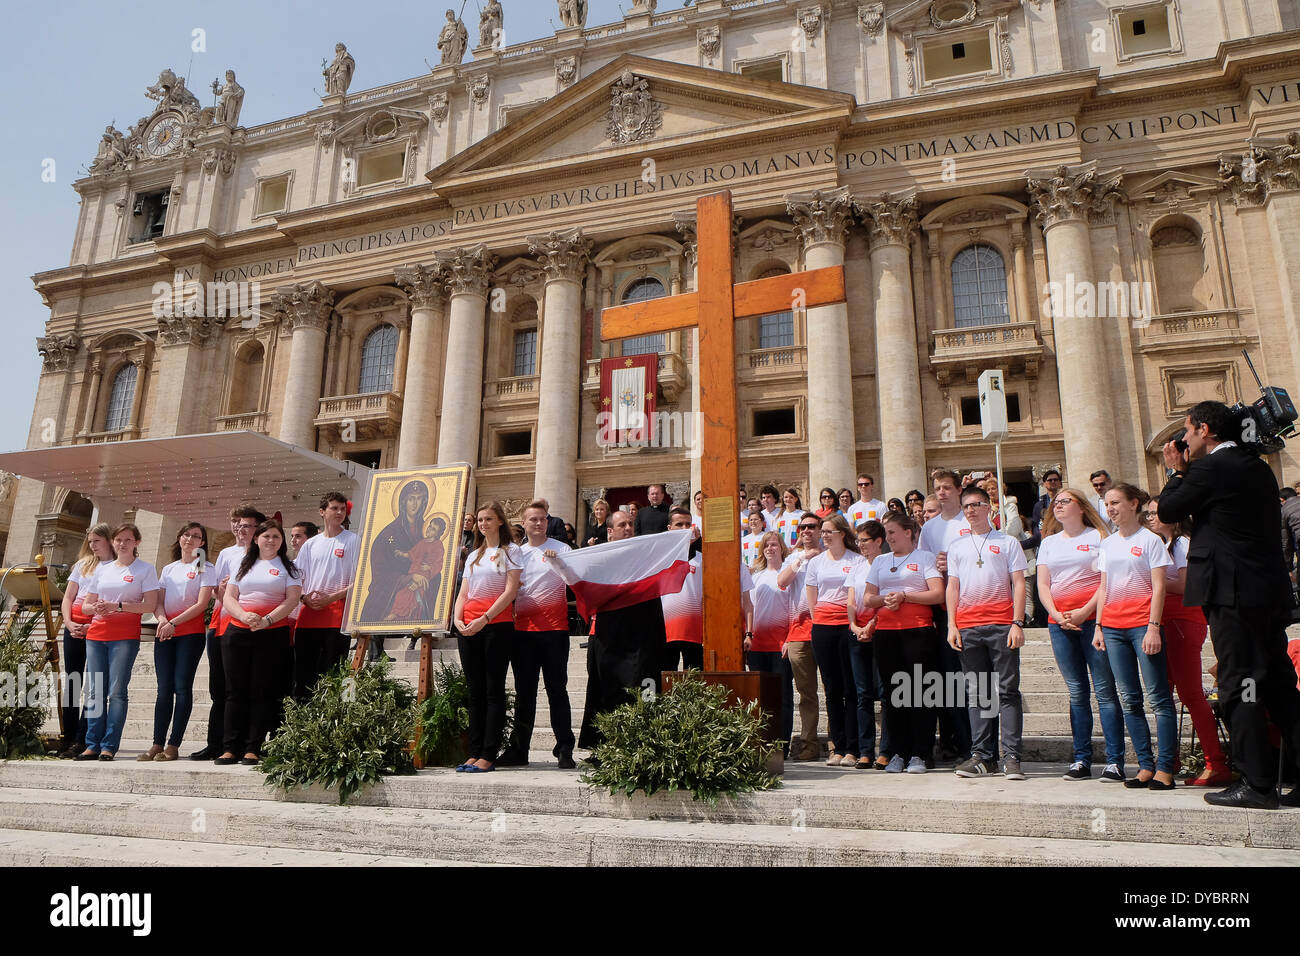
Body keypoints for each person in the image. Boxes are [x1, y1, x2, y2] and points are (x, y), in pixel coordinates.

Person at [1159, 400, 1300, 808]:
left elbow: (1168, 511)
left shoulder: (1211, 468)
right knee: (1276, 683)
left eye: (1186, 431)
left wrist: (1175, 472)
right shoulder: (1256, 465)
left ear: (1205, 430)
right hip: (1265, 593)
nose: (1182, 440)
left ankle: (1256, 784)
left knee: (1240, 685)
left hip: (1232, 594)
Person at [1092, 483, 1177, 791]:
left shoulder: (1150, 540)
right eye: (1107, 504)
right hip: (1113, 627)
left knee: (1158, 698)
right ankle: (1145, 765)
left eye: (1115, 502)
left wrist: (1154, 626)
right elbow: (1103, 586)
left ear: (1133, 504)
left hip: (1143, 624)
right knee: (1130, 699)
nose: (1110, 508)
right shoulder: (1108, 543)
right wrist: (1099, 626)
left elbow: (1160, 587)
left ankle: (1166, 768)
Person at [1036, 488, 1125, 781]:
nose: (1058, 506)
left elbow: (1105, 581)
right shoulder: (1048, 543)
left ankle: (1115, 760)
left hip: (1092, 621)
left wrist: (1086, 612)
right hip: (1058, 623)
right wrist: (1058, 615)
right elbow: (1044, 585)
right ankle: (1081, 759)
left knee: (1105, 692)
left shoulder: (1099, 538)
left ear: (1081, 507)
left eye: (1065, 501)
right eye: (1055, 503)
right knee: (1077, 693)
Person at [1145, 496, 1231, 786]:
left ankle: (1215, 762)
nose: (1151, 518)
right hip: (1164, 620)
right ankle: (1170, 760)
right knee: (1164, 692)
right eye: (1148, 514)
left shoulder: (1182, 543)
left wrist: (1150, 581)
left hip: (1183, 619)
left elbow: (1185, 584)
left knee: (1191, 694)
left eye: (1156, 513)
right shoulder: (1162, 543)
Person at [946, 486, 1028, 780]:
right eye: (966, 505)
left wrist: (1017, 622)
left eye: (977, 504)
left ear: (990, 508)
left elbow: (1018, 583)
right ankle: (982, 756)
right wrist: (951, 625)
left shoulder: (1007, 542)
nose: (971, 510)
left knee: (1006, 692)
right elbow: (952, 587)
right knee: (978, 694)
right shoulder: (957, 547)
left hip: (1001, 625)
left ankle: (1011, 757)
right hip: (968, 627)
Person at [856, 513, 945, 774]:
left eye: (893, 532)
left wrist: (906, 596)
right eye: (887, 533)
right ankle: (898, 752)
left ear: (908, 532)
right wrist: (887, 599)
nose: (890, 538)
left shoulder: (924, 558)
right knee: (894, 696)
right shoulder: (881, 561)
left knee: (920, 693)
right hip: (887, 634)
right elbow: (868, 598)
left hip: (918, 632)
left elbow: (937, 593)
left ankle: (921, 753)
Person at [499, 500, 576, 768]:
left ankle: (565, 748)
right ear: (524, 522)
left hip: (555, 631)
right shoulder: (515, 554)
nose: (539, 523)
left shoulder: (562, 549)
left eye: (543, 519)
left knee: (558, 690)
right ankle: (519, 750)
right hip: (523, 632)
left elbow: (575, 582)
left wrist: (562, 566)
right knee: (525, 693)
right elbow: (504, 590)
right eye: (533, 519)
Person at [218, 519, 301, 765]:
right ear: (256, 539)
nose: (271, 541)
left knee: (261, 691)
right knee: (234, 692)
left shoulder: (289, 568)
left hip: (272, 634)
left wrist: (267, 620)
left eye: (276, 537)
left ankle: (253, 747)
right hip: (238, 632)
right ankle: (229, 747)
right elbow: (229, 596)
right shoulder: (244, 565)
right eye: (266, 536)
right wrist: (243, 615)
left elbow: (292, 600)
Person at [77, 524, 160, 761]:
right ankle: (92, 744)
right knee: (94, 692)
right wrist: (98, 607)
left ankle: (109, 745)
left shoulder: (145, 569)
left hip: (124, 635)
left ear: (136, 543)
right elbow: (85, 605)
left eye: (128, 540)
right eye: (118, 539)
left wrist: (119, 606)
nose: (122, 543)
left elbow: (149, 606)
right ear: (113, 542)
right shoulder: (103, 569)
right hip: (96, 634)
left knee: (116, 692)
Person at [452, 501, 522, 773]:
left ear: (500, 521)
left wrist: (485, 619)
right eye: (480, 519)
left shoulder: (511, 550)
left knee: (493, 690)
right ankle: (474, 751)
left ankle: (489, 754)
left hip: (496, 625)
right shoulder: (474, 555)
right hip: (468, 625)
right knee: (474, 691)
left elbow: (511, 590)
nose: (483, 524)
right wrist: (458, 619)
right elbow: (463, 592)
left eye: (489, 519)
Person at [191, 506, 264, 760]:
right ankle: (216, 743)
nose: (239, 529)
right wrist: (221, 589)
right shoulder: (225, 553)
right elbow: (215, 591)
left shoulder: (262, 555)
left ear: (257, 530)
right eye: (237, 524)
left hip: (247, 627)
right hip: (221, 625)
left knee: (242, 687)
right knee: (218, 688)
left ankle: (243, 743)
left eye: (245, 525)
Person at [143, 523, 217, 762]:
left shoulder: (205, 567)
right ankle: (157, 743)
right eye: (187, 534)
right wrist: (164, 621)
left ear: (202, 543)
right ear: (180, 537)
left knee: (182, 688)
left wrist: (173, 623)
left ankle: (174, 745)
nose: (190, 539)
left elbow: (201, 604)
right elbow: (159, 601)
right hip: (165, 633)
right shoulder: (169, 568)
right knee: (163, 690)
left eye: (196, 536)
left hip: (190, 635)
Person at [918, 468, 972, 761]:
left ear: (958, 490)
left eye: (947, 488)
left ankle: (976, 745)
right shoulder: (929, 528)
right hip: (940, 612)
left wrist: (951, 563)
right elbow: (926, 565)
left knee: (974, 681)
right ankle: (952, 742)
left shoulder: (971, 520)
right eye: (938, 488)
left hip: (971, 606)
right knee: (947, 680)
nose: (941, 492)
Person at [805, 513, 865, 767]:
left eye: (829, 531)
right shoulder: (816, 562)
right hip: (823, 626)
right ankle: (837, 747)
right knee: (831, 689)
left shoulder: (857, 560)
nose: (825, 535)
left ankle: (852, 747)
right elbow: (811, 598)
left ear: (842, 533)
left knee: (850, 688)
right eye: (823, 531)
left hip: (848, 625)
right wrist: (820, 620)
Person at [294, 492, 361, 700]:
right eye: (334, 508)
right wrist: (305, 597)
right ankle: (303, 722)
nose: (339, 512)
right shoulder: (310, 544)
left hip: (337, 616)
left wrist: (332, 597)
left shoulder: (352, 540)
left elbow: (361, 579)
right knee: (304, 673)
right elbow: (297, 578)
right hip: (307, 616)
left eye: (342, 509)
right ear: (322, 512)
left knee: (333, 671)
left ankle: (332, 719)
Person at [56, 523, 113, 759]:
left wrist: (92, 625)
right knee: (72, 682)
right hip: (74, 627)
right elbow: (68, 597)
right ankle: (67, 736)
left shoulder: (117, 566)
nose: (92, 545)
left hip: (98, 628)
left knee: (93, 686)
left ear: (109, 541)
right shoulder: (82, 565)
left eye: (97, 541)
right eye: (90, 541)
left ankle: (83, 738)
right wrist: (68, 623)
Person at [777, 514, 824, 760]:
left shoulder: (830, 554)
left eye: (812, 527)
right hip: (798, 631)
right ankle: (809, 744)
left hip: (826, 627)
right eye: (802, 527)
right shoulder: (794, 557)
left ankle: (840, 743)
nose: (807, 531)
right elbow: (782, 582)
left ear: (820, 530)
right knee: (806, 693)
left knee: (835, 690)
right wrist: (802, 559)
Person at [746, 531, 794, 756]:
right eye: (767, 545)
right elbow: (749, 608)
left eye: (774, 544)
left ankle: (782, 745)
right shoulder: (756, 576)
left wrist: (790, 639)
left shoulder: (788, 574)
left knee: (782, 696)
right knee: (760, 697)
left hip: (780, 644)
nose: (770, 548)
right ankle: (762, 743)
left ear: (781, 548)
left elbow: (796, 607)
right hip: (757, 645)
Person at [844, 520, 886, 769]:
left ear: (878, 541)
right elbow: (851, 599)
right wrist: (854, 626)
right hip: (857, 633)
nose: (860, 545)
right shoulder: (857, 567)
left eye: (864, 540)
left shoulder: (887, 563)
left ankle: (887, 750)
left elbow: (886, 599)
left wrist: (872, 624)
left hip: (882, 632)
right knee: (862, 695)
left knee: (886, 692)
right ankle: (866, 750)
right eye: (858, 540)